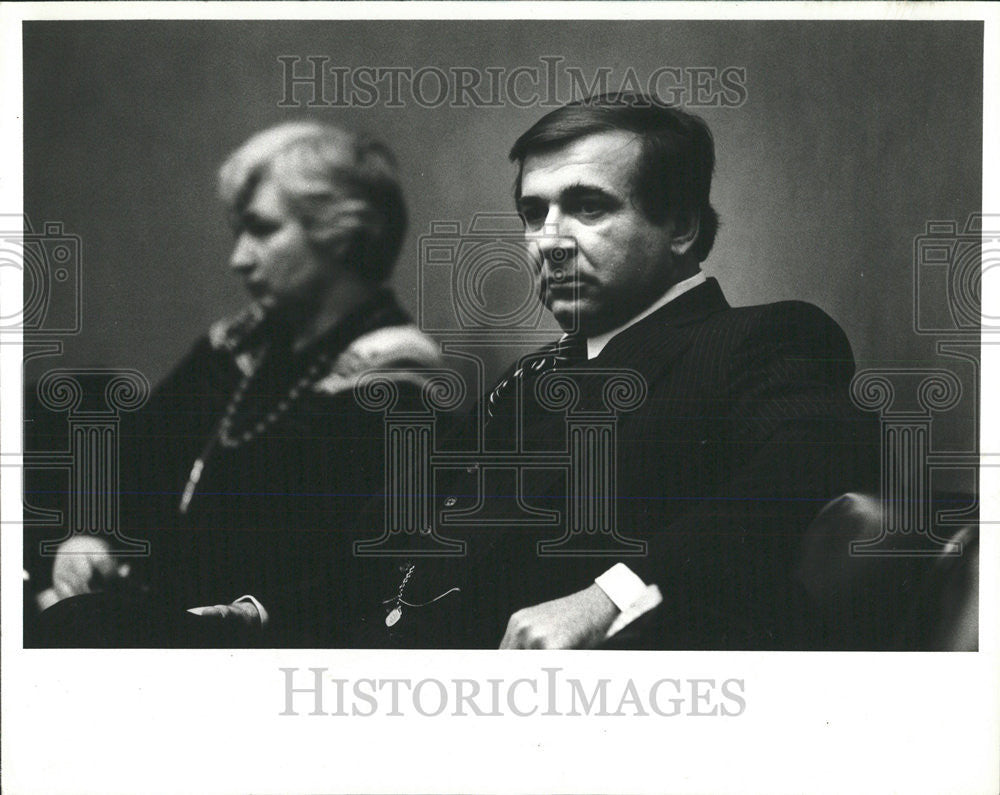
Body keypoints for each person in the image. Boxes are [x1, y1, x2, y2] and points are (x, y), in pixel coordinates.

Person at [369, 93, 878, 650]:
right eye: (534, 214)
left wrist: (616, 594)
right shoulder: (529, 378)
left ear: (680, 227)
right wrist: (264, 607)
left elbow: (814, 462)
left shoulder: (759, 339)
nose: (549, 243)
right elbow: (392, 525)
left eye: (589, 207)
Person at [33, 122, 442, 646]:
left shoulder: (395, 380)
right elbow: (135, 459)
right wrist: (89, 535)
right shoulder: (241, 343)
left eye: (263, 229)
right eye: (238, 233)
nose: (239, 258)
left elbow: (354, 577)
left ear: (341, 234)